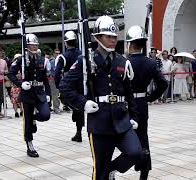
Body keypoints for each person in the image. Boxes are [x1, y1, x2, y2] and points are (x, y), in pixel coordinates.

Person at [59, 16, 143, 180]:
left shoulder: (122, 61)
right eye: (108, 36)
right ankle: (105, 172)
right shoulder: (86, 61)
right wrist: (83, 103)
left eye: (114, 36)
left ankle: (111, 169)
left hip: (121, 120)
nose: (113, 40)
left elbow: (128, 93)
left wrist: (133, 116)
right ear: (98, 37)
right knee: (100, 171)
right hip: (100, 123)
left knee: (136, 153)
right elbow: (64, 86)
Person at [123, 25, 168, 180]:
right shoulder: (150, 63)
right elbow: (163, 83)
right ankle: (144, 173)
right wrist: (150, 97)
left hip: (126, 105)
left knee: (121, 139)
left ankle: (117, 167)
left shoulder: (124, 62)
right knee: (143, 138)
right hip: (141, 104)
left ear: (130, 44)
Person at [8, 33, 51, 158]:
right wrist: (21, 84)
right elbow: (11, 74)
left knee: (45, 115)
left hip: (39, 93)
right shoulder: (21, 59)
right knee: (27, 121)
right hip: (27, 94)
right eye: (32, 44)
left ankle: (34, 117)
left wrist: (48, 93)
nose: (34, 46)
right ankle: (29, 144)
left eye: (36, 44)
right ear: (26, 46)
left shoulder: (42, 59)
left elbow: (46, 79)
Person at [55, 31, 84, 142]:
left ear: (66, 43)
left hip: (69, 85)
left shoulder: (63, 56)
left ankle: (75, 110)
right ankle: (79, 132)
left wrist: (59, 86)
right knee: (80, 107)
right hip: (81, 84)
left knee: (68, 101)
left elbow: (57, 73)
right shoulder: (82, 54)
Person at [49, 49, 61, 114]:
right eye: (56, 53)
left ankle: (58, 107)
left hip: (60, 79)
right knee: (54, 94)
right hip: (53, 80)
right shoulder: (51, 62)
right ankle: (56, 108)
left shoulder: (61, 61)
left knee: (58, 94)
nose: (57, 55)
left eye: (59, 53)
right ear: (53, 54)